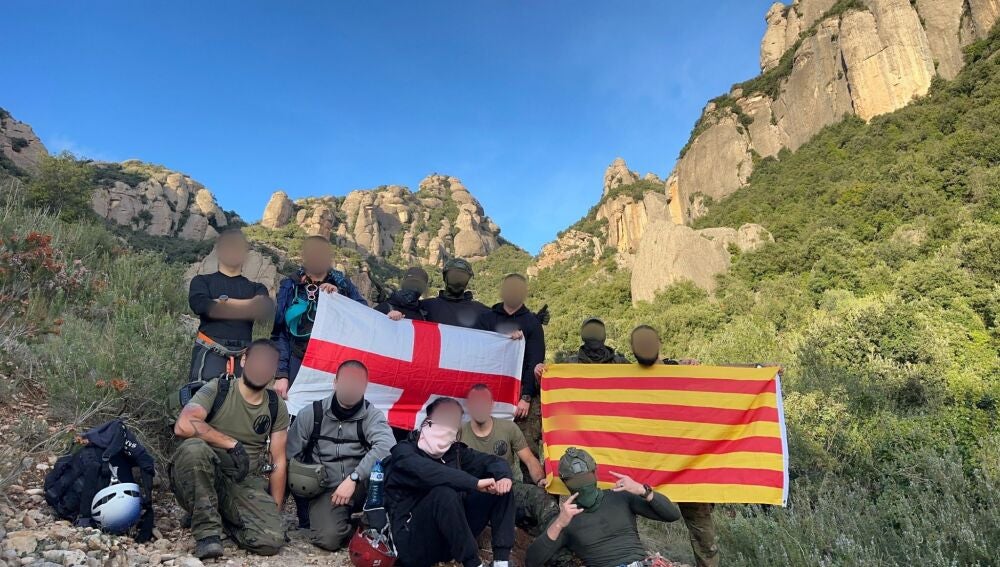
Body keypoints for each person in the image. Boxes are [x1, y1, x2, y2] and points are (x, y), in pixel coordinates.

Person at [171, 339, 290, 559]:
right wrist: (231, 444)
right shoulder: (219, 388)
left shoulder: (275, 405)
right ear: (244, 360)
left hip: (243, 481)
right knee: (193, 449)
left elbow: (278, 460)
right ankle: (207, 535)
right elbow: (184, 424)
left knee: (270, 542)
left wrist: (275, 507)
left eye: (269, 364)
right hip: (204, 471)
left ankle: (218, 516)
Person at [383, 397, 515, 567]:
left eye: (453, 421)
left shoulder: (456, 452)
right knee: (443, 493)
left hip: (451, 539)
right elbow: (430, 472)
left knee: (500, 487)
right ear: (427, 419)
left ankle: (501, 562)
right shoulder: (404, 451)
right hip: (413, 542)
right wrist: (474, 483)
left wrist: (503, 476)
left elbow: (493, 461)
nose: (448, 425)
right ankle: (473, 563)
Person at [630, 325, 719, 567]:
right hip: (646, 468)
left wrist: (762, 372)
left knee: (704, 536)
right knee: (624, 521)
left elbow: (714, 394)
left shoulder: (681, 370)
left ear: (658, 342)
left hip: (687, 467)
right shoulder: (626, 376)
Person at [286, 360, 396, 551]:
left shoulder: (372, 415)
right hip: (327, 490)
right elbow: (290, 456)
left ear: (364, 386)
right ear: (335, 383)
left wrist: (354, 478)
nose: (351, 388)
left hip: (362, 486)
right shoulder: (311, 414)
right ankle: (356, 526)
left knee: (386, 474)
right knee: (327, 539)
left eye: (357, 384)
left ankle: (372, 521)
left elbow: (388, 446)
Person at [525, 448, 681, 567]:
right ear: (566, 483)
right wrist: (558, 524)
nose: (583, 484)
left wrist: (643, 490)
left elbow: (672, 515)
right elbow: (531, 561)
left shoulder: (620, 496)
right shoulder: (566, 518)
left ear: (595, 473)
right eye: (576, 481)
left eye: (586, 477)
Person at [271, 235, 369, 400]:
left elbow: (363, 314)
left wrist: (340, 298)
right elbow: (280, 332)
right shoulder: (291, 285)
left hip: (333, 362)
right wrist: (282, 375)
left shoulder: (343, 284)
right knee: (294, 415)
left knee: (330, 416)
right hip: (298, 359)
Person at [462, 383, 558, 536]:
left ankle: (555, 544)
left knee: (541, 498)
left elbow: (529, 459)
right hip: (475, 491)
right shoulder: (459, 433)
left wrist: (540, 480)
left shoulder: (508, 428)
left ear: (491, 404)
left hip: (507, 488)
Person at [475, 273, 546, 461]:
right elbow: (475, 350)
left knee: (527, 449)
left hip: (522, 394)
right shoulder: (486, 319)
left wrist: (526, 397)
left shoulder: (532, 323)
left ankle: (535, 488)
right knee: (490, 448)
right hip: (491, 393)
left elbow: (535, 360)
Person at [188, 229, 274, 382]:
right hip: (209, 353)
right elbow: (201, 306)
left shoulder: (257, 287)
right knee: (202, 401)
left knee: (242, 404)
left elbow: (264, 310)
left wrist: (220, 302)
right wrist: (249, 304)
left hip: (244, 357)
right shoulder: (201, 281)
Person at [421, 258, 490, 327]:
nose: (457, 281)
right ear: (445, 278)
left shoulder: (482, 312)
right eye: (453, 277)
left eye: (462, 278)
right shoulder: (427, 306)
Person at [564, 317, 629, 363]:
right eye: (589, 331)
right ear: (582, 336)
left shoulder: (621, 363)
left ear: (604, 336)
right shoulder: (569, 364)